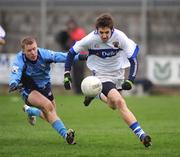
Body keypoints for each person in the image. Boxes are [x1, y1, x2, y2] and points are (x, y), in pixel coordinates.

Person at [63, 13, 152, 147]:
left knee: (113, 105)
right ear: (96, 30)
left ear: (112, 29)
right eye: (101, 32)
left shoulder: (120, 37)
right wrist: (66, 74)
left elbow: (133, 60)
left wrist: (130, 80)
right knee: (120, 102)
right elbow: (71, 53)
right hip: (101, 75)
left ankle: (95, 93)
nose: (104, 36)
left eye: (107, 32)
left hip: (118, 74)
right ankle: (142, 135)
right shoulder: (90, 39)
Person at [9, 37, 86, 145]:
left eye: (34, 49)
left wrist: (82, 56)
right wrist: (13, 83)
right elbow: (15, 72)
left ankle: (30, 111)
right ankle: (66, 135)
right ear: (23, 51)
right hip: (28, 89)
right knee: (48, 107)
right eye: (29, 50)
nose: (33, 52)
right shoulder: (20, 59)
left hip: (45, 87)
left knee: (50, 114)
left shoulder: (44, 54)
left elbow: (63, 56)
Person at [56, 18, 87, 94]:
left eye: (72, 24)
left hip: (81, 56)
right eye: (69, 24)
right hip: (73, 56)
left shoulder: (79, 31)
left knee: (80, 74)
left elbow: (78, 39)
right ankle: (77, 91)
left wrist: (69, 34)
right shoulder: (70, 32)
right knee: (75, 74)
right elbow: (67, 43)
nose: (70, 26)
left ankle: (81, 90)